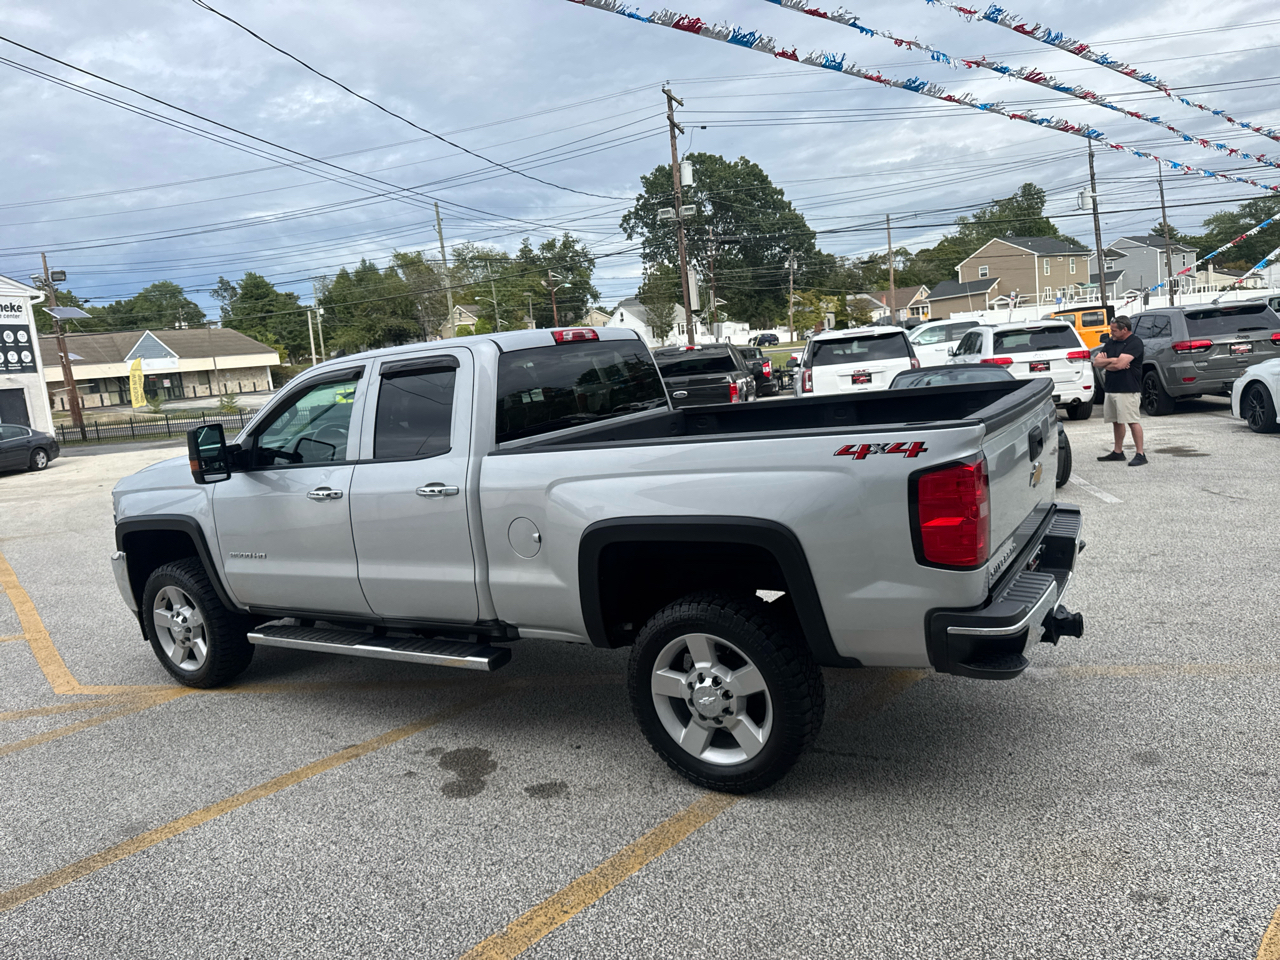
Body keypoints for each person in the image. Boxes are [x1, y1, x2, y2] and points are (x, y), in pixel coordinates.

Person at [1093, 316, 1146, 466]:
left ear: (1124, 329)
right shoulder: (1111, 342)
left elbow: (1120, 365)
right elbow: (1096, 362)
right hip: (1111, 387)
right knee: (1116, 421)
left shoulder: (1134, 343)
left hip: (1127, 388)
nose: (1111, 333)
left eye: (1114, 330)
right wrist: (1113, 361)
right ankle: (1118, 452)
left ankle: (1140, 454)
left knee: (1132, 421)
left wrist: (1110, 363)